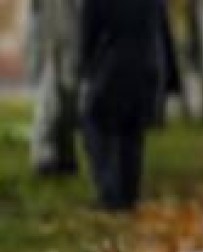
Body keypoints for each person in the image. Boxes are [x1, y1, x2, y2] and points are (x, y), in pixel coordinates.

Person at [78, 0, 180, 212]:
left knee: (96, 124)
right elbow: (164, 32)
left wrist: (85, 68)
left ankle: (111, 195)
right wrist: (171, 78)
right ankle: (128, 196)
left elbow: (89, 32)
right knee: (132, 134)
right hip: (148, 66)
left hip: (114, 65)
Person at [28, 0, 82, 178]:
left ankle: (66, 157)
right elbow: (36, 16)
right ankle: (44, 157)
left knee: (68, 102)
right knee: (49, 103)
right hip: (50, 44)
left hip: (69, 42)